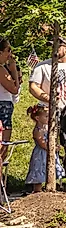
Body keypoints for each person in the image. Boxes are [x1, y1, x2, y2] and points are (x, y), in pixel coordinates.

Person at [24, 103, 64, 193]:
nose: (48, 118)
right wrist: (51, 148)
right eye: (46, 116)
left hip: (48, 151)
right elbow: (41, 143)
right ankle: (37, 190)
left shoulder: (47, 128)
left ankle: (51, 186)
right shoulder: (38, 130)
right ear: (38, 118)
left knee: (49, 170)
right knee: (39, 170)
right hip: (41, 153)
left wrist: (55, 145)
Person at [0, 40, 21, 174]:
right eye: (8, 50)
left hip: (6, 105)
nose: (10, 54)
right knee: (3, 147)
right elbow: (14, 89)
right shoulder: (1, 69)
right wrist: (13, 71)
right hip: (3, 108)